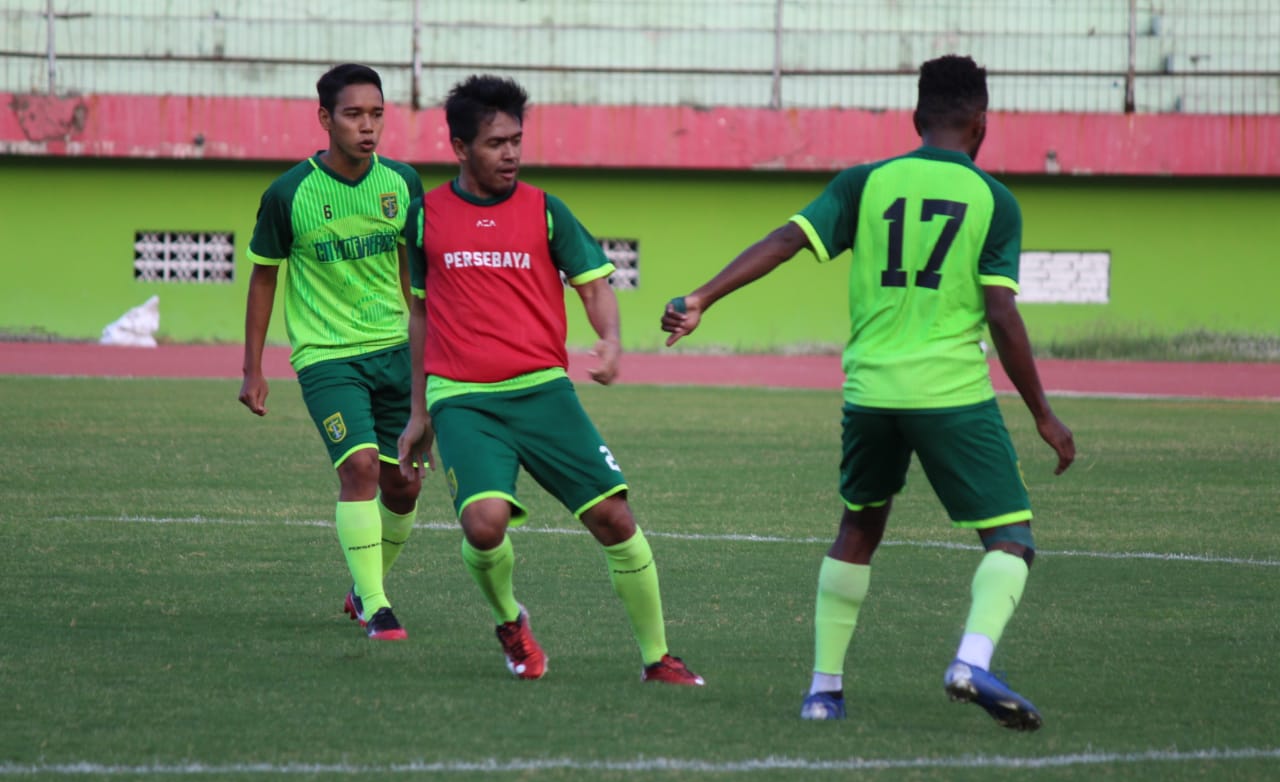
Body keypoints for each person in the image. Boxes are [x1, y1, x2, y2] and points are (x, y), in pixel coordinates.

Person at [661, 55, 1074, 728]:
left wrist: (703, 295)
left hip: (870, 395)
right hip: (950, 395)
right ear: (982, 124)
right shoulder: (996, 201)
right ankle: (971, 658)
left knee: (858, 528)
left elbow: (786, 239)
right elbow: (1001, 313)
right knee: (1011, 537)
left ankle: (823, 691)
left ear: (916, 120)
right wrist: (1045, 414)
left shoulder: (866, 183)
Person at [397, 74, 703, 686]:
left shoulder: (545, 209)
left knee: (615, 518)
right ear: (460, 147)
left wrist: (611, 342)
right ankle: (511, 622)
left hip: (543, 390)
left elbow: (593, 286)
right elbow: (422, 313)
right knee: (482, 524)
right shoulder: (425, 216)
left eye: (516, 140)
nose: (510, 153)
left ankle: (657, 657)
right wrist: (419, 413)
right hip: (463, 397)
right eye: (495, 143)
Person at [239, 63, 427, 641]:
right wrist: (253, 368)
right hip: (327, 356)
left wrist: (433, 359)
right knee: (361, 469)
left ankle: (361, 585)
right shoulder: (288, 193)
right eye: (353, 114)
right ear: (325, 118)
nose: (367, 127)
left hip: (396, 352)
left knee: (406, 485)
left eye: (376, 114)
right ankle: (376, 605)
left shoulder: (402, 185)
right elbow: (264, 277)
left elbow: (415, 282)